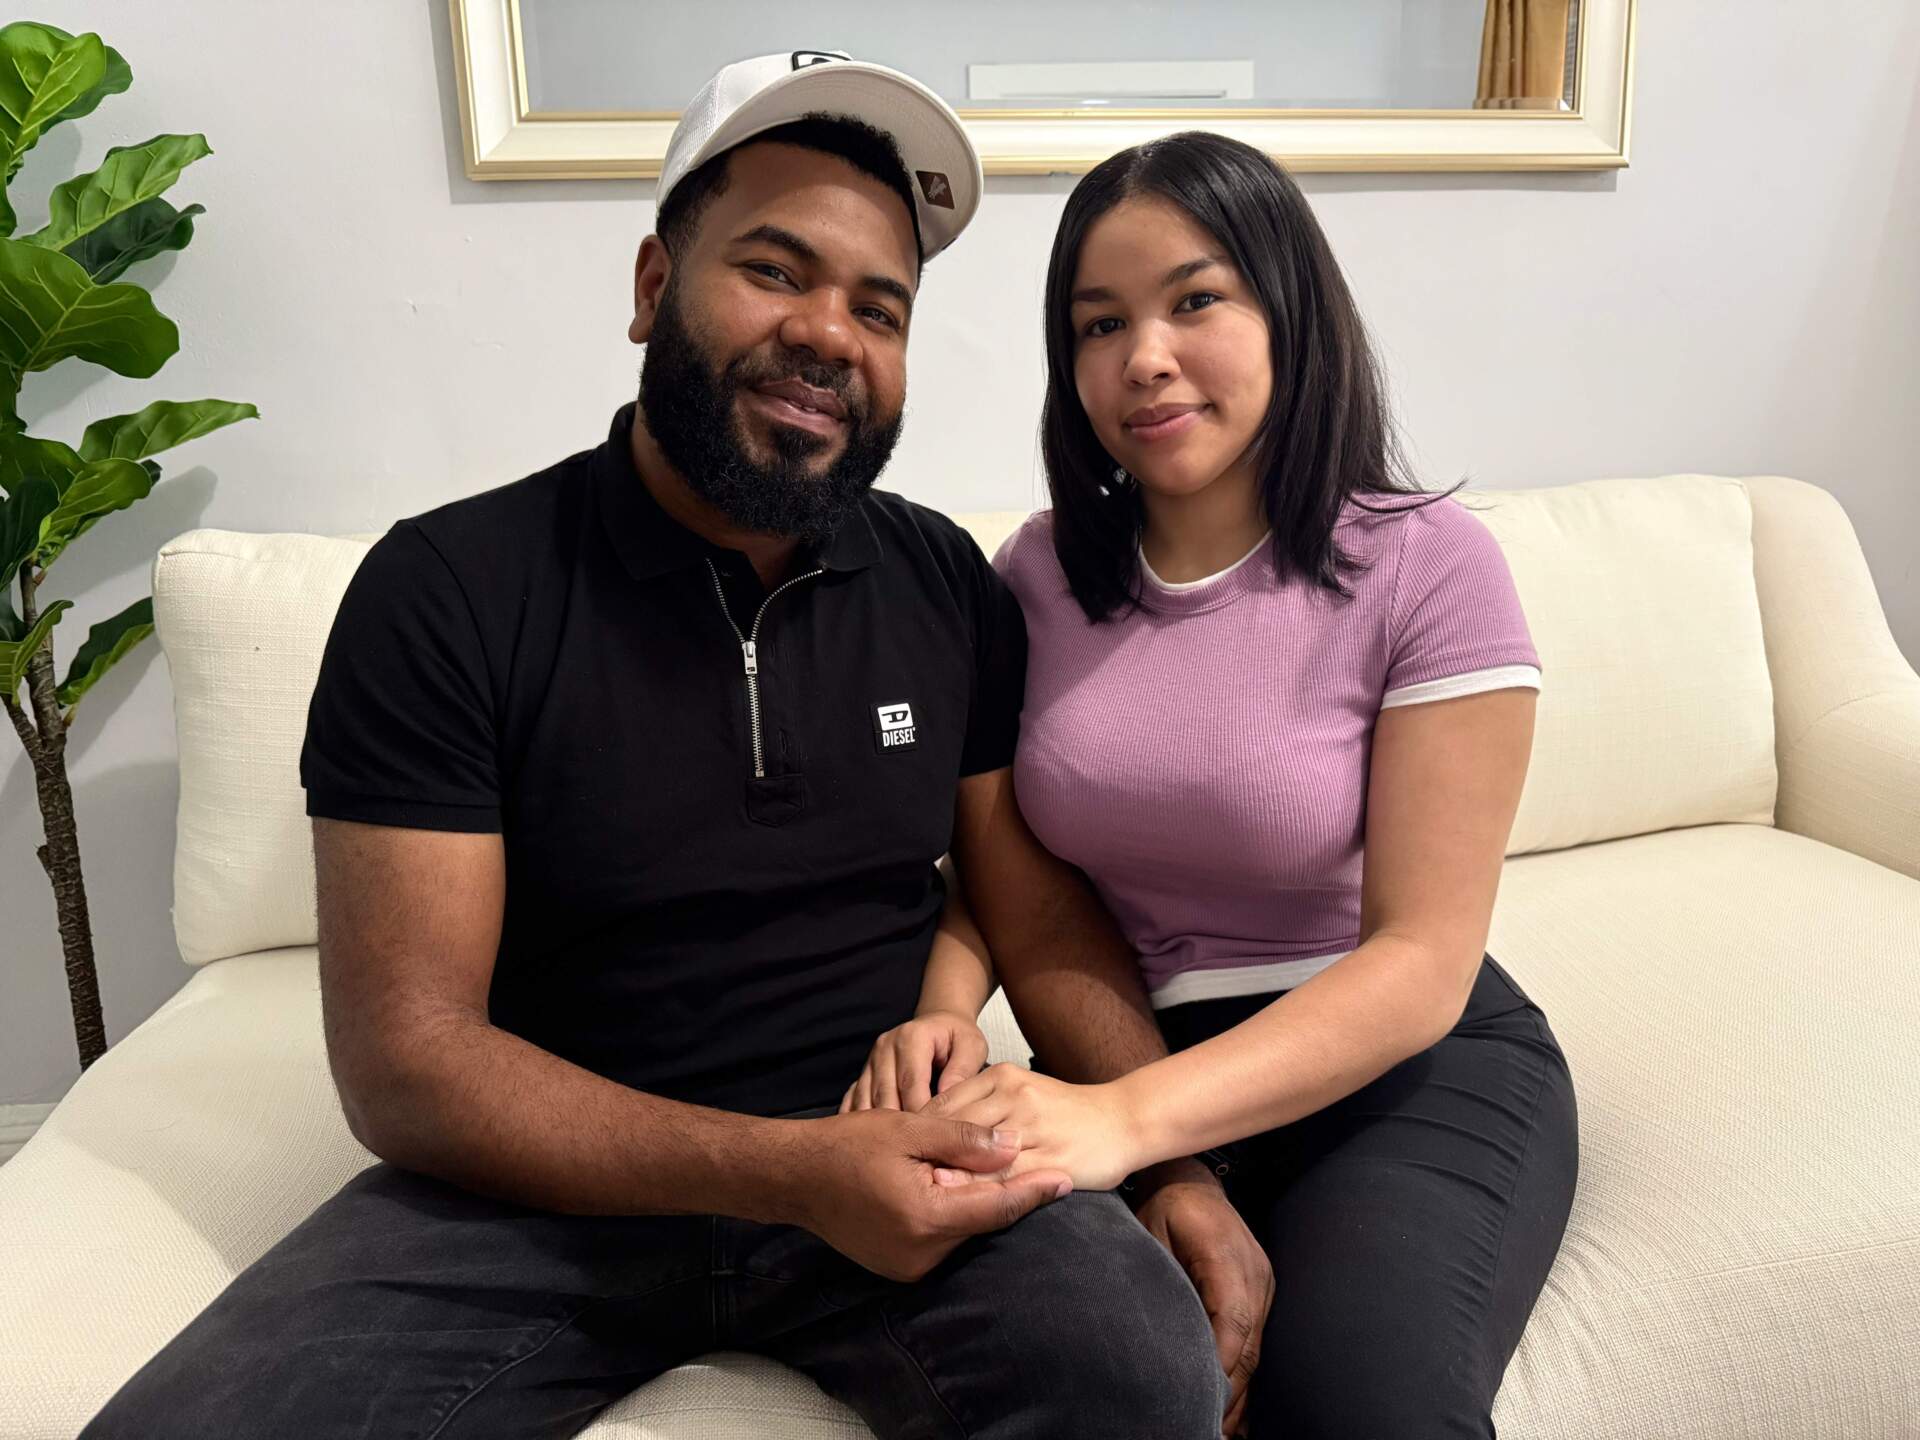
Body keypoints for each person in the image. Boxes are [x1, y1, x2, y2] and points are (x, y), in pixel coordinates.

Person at [80, 56, 1237, 1440]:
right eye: (773, 269)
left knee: (1141, 1378)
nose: (828, 333)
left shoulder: (946, 584)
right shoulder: (451, 588)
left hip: (899, 1161)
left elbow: (1035, 909)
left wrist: (1177, 1164)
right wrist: (796, 1171)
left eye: (882, 309)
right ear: (651, 288)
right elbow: (411, 1061)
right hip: (542, 1192)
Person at [847, 131, 1580, 1438]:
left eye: (1196, 300)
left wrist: (1124, 1125)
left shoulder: (1428, 565)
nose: (1144, 358)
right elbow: (1014, 864)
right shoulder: (1037, 575)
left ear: (1289, 309)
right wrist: (943, 1010)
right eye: (1099, 323)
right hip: (1130, 1053)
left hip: (1394, 1066)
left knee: (1358, 1400)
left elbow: (1420, 959)